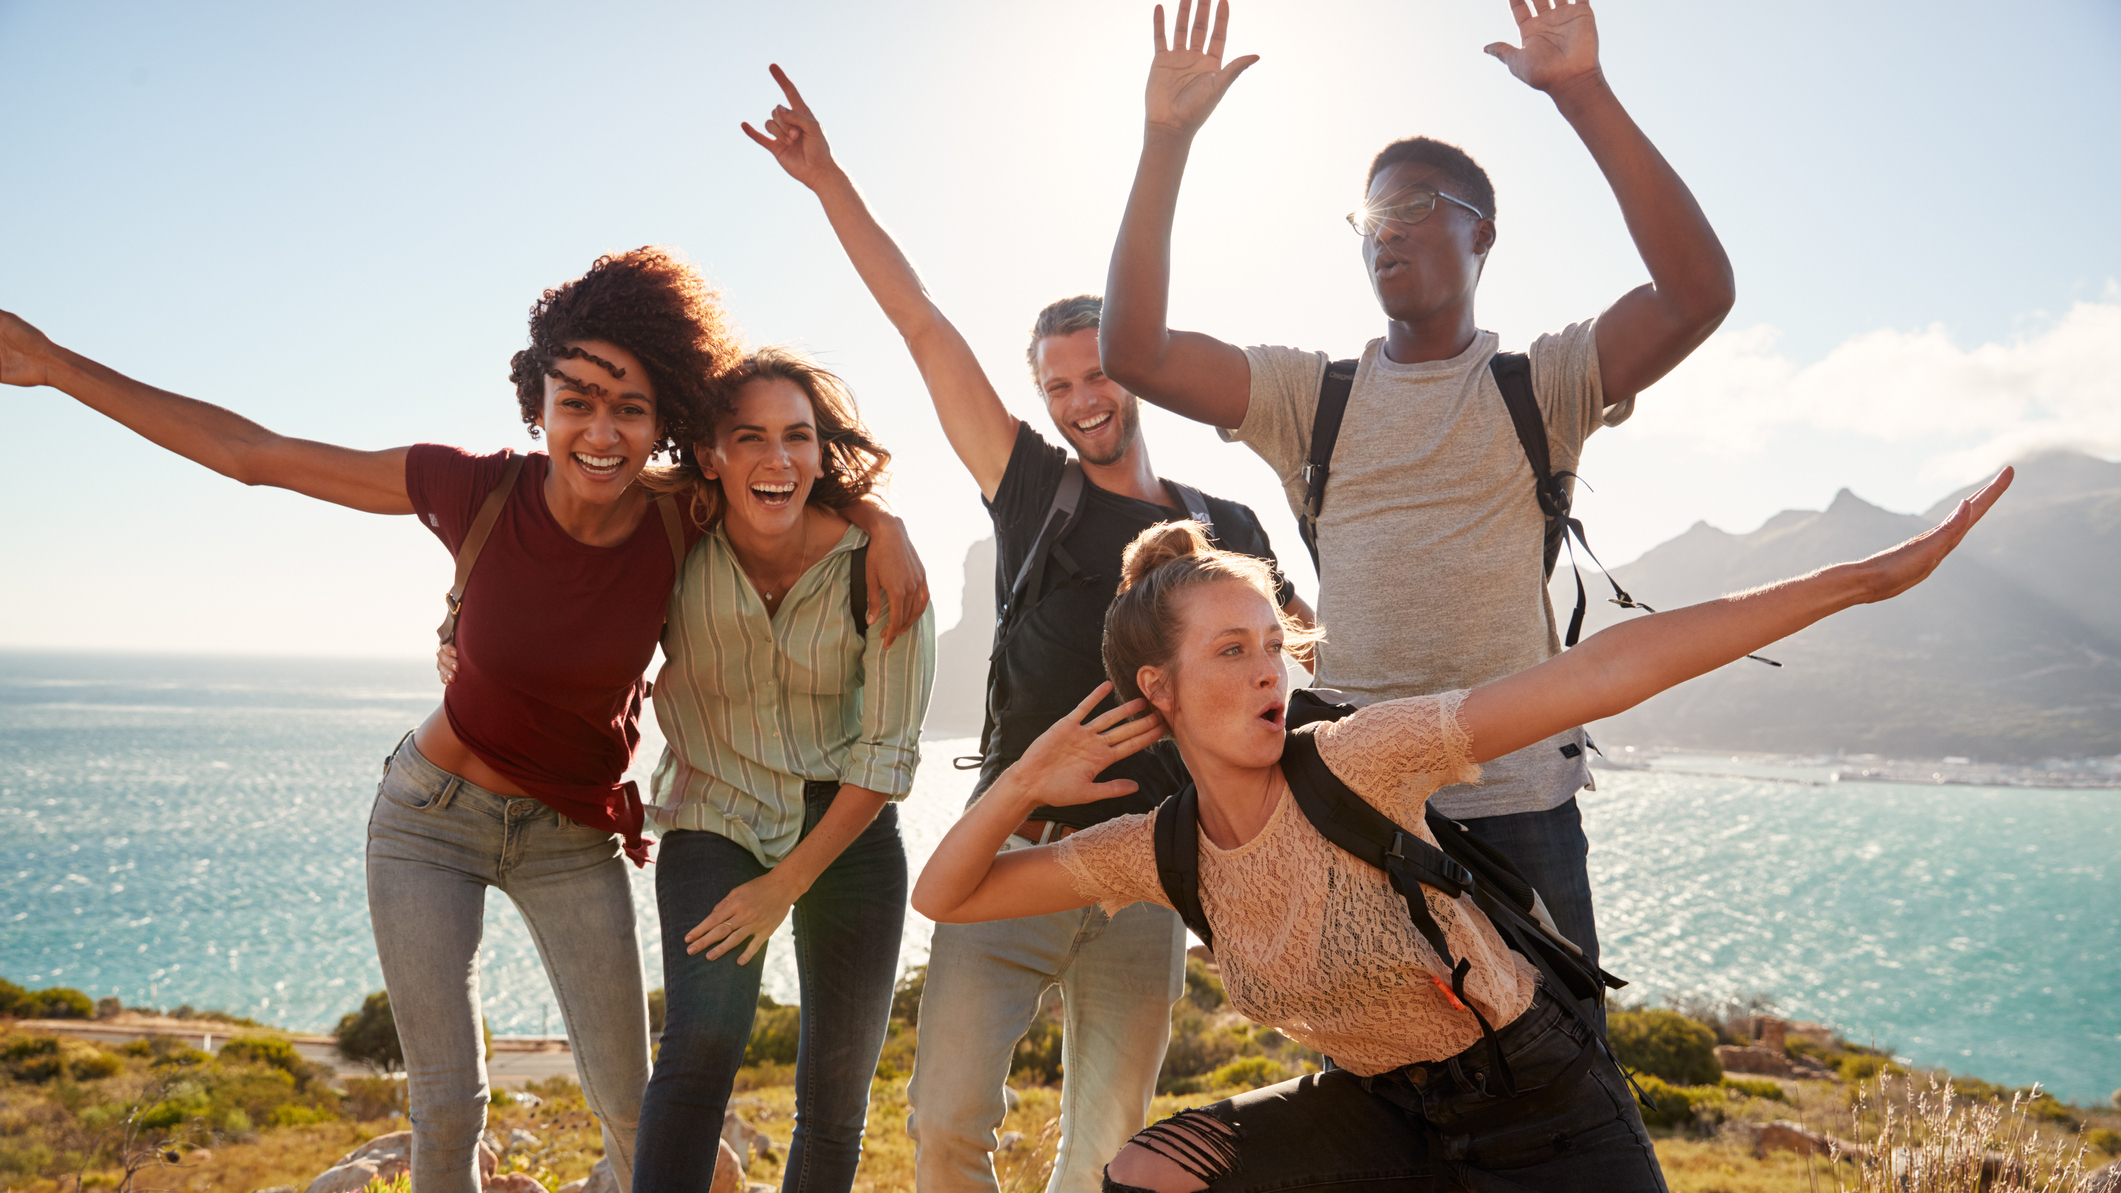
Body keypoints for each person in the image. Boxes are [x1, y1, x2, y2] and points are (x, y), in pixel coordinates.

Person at [0, 251, 928, 1193]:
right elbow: (255, 457)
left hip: (572, 834)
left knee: (632, 1101)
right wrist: (55, 364)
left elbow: (779, 482)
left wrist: (883, 523)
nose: (601, 431)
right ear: (539, 402)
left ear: (665, 422)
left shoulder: (679, 515)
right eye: (577, 400)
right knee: (447, 1108)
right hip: (429, 820)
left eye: (630, 408)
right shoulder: (473, 488)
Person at [912, 468, 2011, 1192]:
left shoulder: (1356, 756)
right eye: (1228, 652)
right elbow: (948, 895)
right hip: (1385, 1115)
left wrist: (1862, 580)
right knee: (1152, 1171)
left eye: (1269, 643)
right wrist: (1020, 781)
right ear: (1159, 689)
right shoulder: (1159, 848)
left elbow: (1605, 669)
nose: (1266, 672)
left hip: (1546, 1112)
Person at [740, 65, 1312, 1193]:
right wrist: (828, 180)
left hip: (1154, 865)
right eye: (1057, 383)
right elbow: (919, 320)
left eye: (1098, 372)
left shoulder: (1225, 523)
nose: (1082, 398)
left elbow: (1280, 690)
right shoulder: (1031, 484)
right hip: (1013, 846)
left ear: (1134, 371)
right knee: (948, 1120)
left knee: (1106, 1147)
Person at [1098, 0, 1738, 995]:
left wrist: (1582, 93)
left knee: (1566, 1100)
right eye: (1369, 218)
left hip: (1523, 807)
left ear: (1481, 232)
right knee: (1391, 1090)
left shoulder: (1548, 382)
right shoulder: (1312, 397)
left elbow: (1699, 291)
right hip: (1359, 804)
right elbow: (1132, 353)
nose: (1382, 234)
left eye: (1412, 207)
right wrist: (1164, 141)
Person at [629, 346, 937, 1193]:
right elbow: (570, 536)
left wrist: (786, 884)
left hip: (848, 830)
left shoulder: (880, 570)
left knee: (834, 1102)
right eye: (749, 436)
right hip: (712, 817)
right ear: (709, 453)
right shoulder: (673, 539)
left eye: (797, 437)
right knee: (696, 1051)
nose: (778, 458)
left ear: (818, 452)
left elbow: (885, 754)